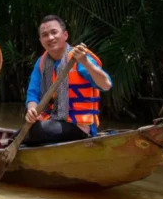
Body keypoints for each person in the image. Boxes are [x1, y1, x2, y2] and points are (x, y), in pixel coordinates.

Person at [22, 15, 113, 146]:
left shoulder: (78, 58)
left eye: (54, 32)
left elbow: (106, 85)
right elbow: (33, 94)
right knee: (24, 131)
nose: (50, 38)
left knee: (34, 132)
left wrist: (86, 62)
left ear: (65, 35)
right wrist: (32, 109)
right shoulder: (41, 63)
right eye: (45, 35)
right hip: (52, 121)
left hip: (79, 126)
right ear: (41, 40)